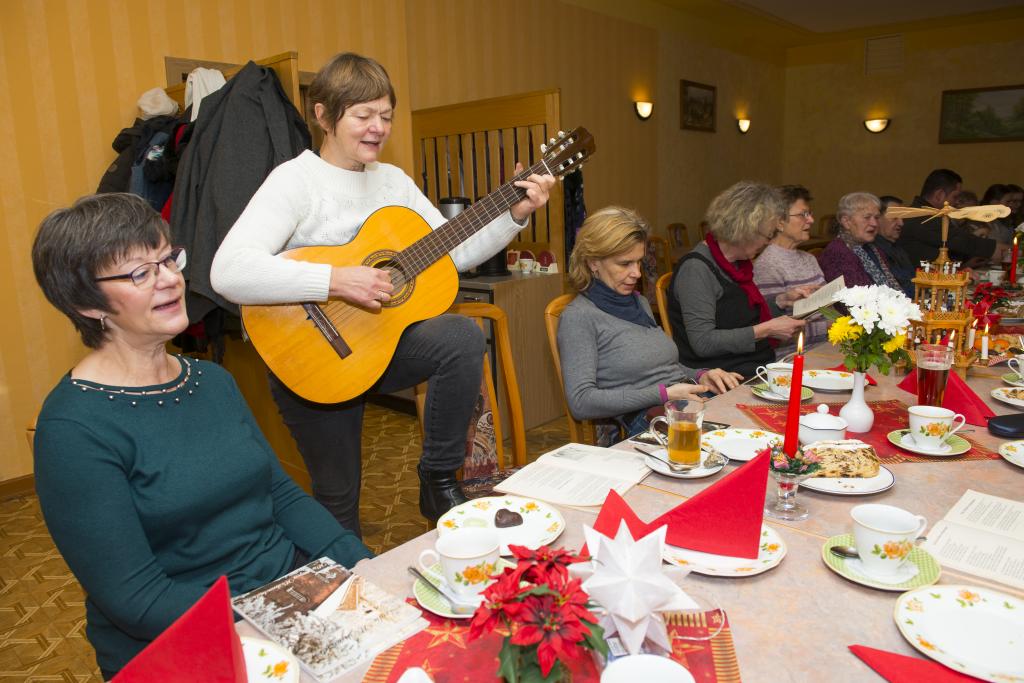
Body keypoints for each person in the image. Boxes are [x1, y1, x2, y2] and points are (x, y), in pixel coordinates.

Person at [30, 193, 372, 679]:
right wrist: (277, 623)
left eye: (168, 258)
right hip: (180, 633)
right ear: (86, 303)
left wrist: (359, 565)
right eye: (138, 273)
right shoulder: (74, 429)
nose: (170, 278)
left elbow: (280, 496)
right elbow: (138, 599)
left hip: (281, 590)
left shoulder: (210, 380)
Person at [210, 53, 554, 533]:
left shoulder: (392, 181)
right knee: (338, 502)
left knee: (461, 336)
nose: (378, 128)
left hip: (381, 346)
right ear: (324, 116)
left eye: (386, 116)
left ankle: (436, 478)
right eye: (363, 115)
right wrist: (335, 280)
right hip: (312, 357)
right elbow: (228, 272)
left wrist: (514, 215)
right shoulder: (294, 181)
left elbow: (454, 253)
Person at [557, 207, 742, 444]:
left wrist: (701, 375)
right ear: (593, 263)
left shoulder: (638, 301)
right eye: (624, 264)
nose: (636, 273)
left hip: (681, 399)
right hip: (650, 418)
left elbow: (663, 366)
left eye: (639, 262)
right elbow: (581, 402)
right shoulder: (579, 317)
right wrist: (664, 393)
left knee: (754, 428)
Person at [667, 181, 808, 379]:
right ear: (745, 229)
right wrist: (766, 330)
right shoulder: (696, 269)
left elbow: (734, 313)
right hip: (722, 378)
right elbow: (703, 342)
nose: (768, 241)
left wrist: (780, 300)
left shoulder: (736, 264)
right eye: (767, 235)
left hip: (753, 367)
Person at [753, 185, 827, 357]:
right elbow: (775, 332)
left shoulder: (808, 258)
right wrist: (834, 327)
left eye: (810, 214)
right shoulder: (767, 264)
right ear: (779, 222)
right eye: (803, 214)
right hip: (793, 356)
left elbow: (825, 309)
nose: (811, 220)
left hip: (823, 347)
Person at [896, 168, 1002, 268]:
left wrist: (965, 264)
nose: (956, 202)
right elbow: (961, 240)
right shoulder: (923, 217)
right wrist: (997, 249)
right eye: (955, 196)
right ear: (939, 195)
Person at [819, 192, 904, 291]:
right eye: (867, 217)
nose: (874, 223)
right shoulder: (838, 253)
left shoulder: (873, 248)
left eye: (876, 218)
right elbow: (853, 300)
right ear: (846, 222)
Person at [874, 195, 915, 297]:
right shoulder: (875, 250)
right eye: (895, 217)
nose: (901, 223)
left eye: (902, 218)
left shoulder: (897, 247)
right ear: (877, 218)